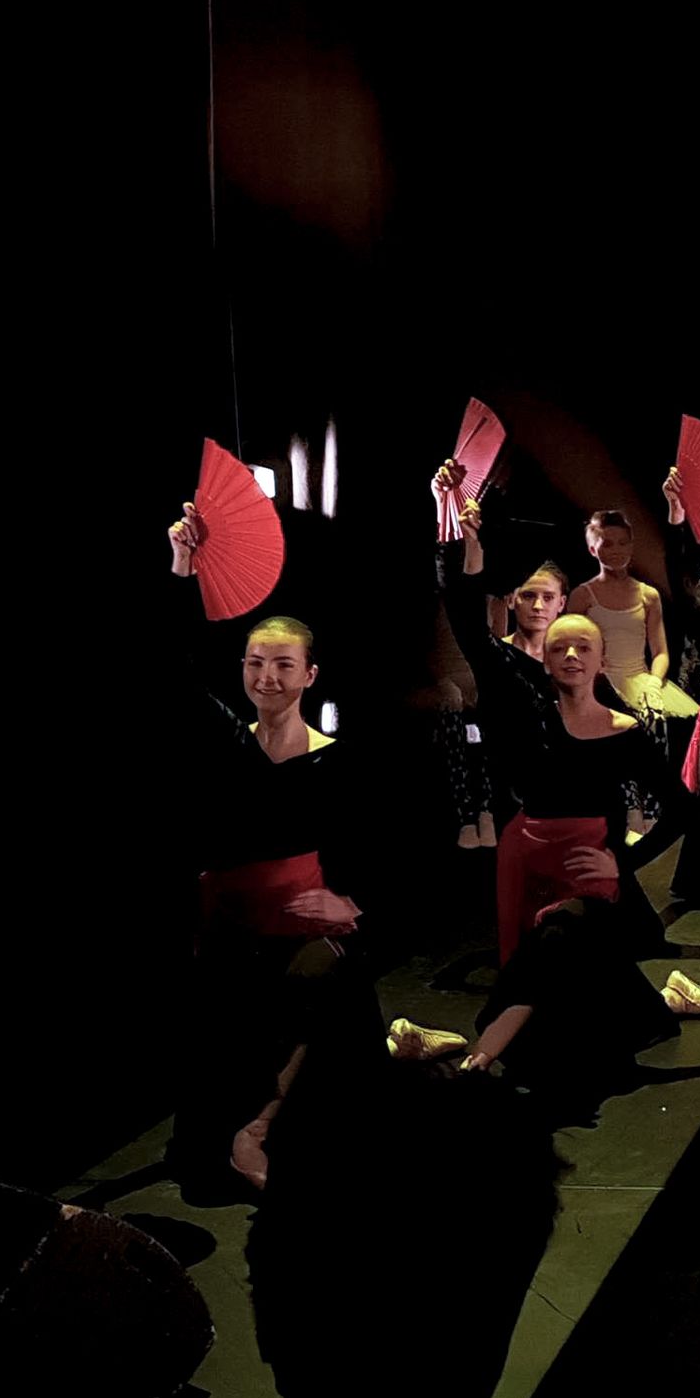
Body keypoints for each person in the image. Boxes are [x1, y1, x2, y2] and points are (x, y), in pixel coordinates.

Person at [167, 504, 418, 1192]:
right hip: (231, 930)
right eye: (255, 663)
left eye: (283, 665)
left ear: (310, 675)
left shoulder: (340, 760)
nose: (266, 677)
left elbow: (388, 854)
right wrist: (183, 570)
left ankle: (257, 1129)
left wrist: (352, 905)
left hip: (305, 928)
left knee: (321, 978)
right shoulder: (231, 744)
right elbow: (176, 669)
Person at [441, 493, 700, 1105]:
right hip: (525, 854)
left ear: (599, 659)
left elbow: (686, 809)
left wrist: (623, 862)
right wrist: (464, 545)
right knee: (539, 960)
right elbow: (464, 617)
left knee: (560, 942)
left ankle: (485, 1052)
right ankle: (524, 1048)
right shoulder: (528, 711)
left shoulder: (623, 731)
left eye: (582, 647)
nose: (568, 655)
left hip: (589, 867)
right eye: (559, 647)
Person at [570, 508, 700, 729]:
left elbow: (660, 653)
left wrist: (653, 684)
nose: (617, 550)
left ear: (631, 545)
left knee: (688, 730)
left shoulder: (648, 595)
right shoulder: (582, 596)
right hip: (600, 686)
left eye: (623, 543)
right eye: (607, 544)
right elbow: (570, 648)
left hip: (643, 683)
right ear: (593, 549)